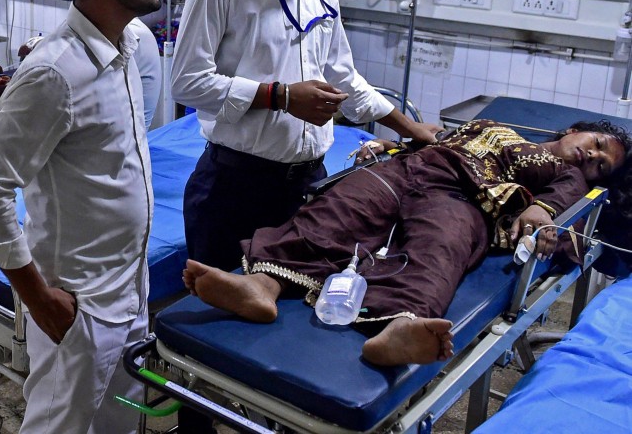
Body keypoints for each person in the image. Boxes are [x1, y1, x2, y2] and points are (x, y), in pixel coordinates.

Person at [171, 0, 442, 275]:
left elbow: (342, 76)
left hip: (307, 184)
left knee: (289, 308)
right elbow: (187, 82)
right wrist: (279, 97)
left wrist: (409, 128)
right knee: (217, 322)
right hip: (234, 187)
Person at [182, 119, 632, 367]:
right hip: (410, 170)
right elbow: (433, 137)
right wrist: (392, 143)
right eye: (595, 144)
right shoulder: (493, 125)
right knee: (337, 210)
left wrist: (544, 211)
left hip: (466, 202)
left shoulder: (563, 173)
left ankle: (402, 326)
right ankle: (263, 286)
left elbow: (569, 194)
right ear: (571, 129)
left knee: (440, 250)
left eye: (601, 165)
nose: (591, 157)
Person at [0, 0, 163, 433]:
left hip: (129, 292)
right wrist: (40, 299)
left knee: (117, 425)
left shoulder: (129, 48)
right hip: (79, 307)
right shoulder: (54, 73)